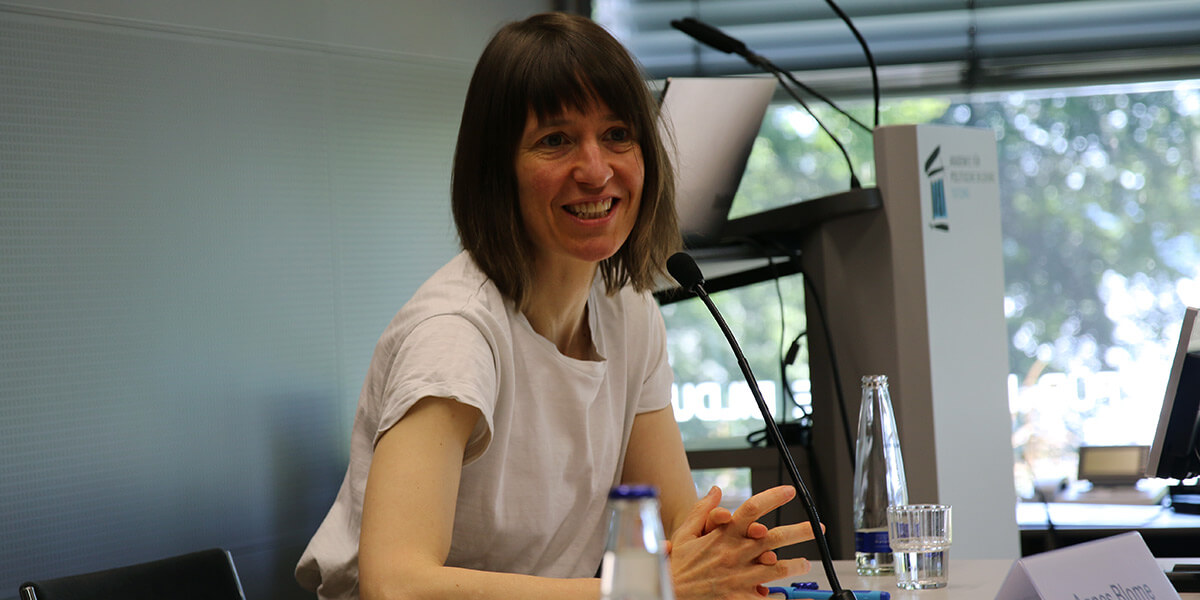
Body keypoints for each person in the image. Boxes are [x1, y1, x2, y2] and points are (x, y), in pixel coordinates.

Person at [296, 11, 818, 600]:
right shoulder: (455, 334)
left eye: (618, 134)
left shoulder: (627, 310)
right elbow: (395, 585)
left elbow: (671, 531)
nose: (596, 171)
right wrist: (642, 589)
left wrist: (722, 551)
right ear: (498, 173)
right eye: (555, 141)